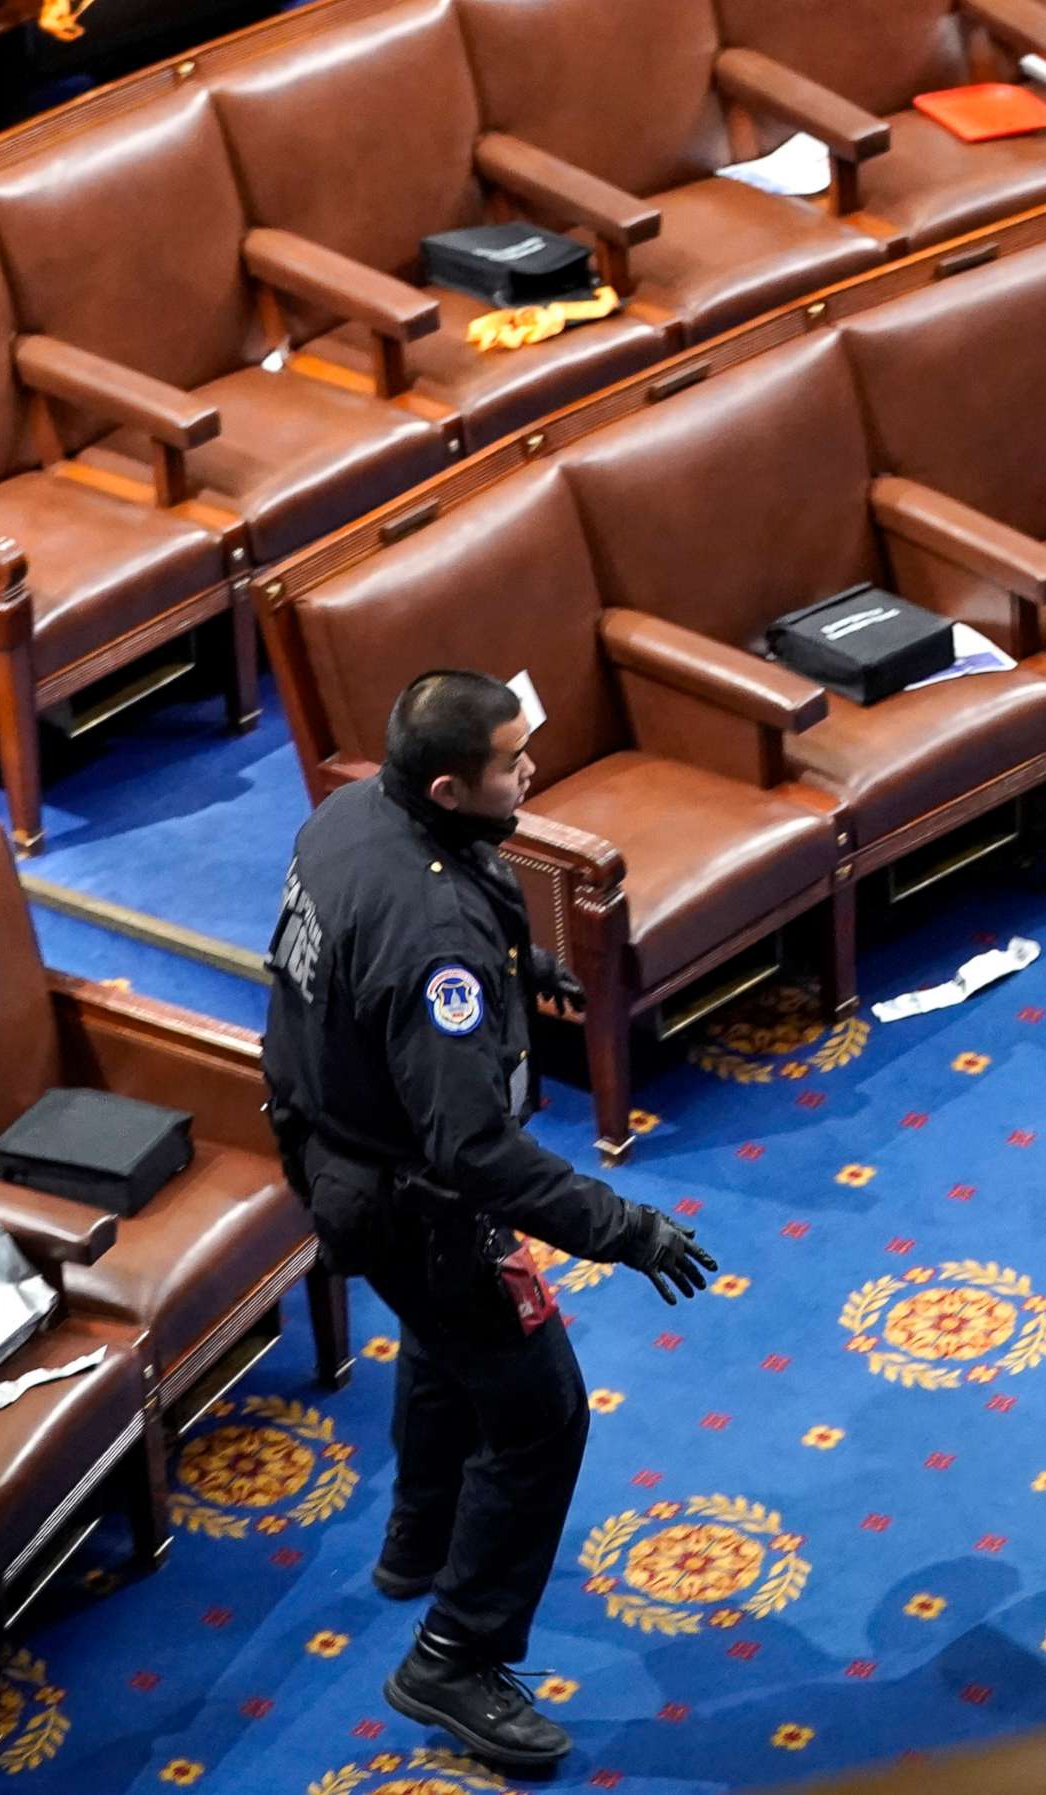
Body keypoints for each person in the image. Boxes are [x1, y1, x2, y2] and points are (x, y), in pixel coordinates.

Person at [262, 670, 720, 1769]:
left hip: (327, 1136)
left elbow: (370, 968)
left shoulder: (350, 813)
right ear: (449, 783)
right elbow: (472, 1147)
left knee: (442, 1339)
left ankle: (418, 1537)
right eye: (514, 763)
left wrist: (520, 970)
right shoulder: (436, 935)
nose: (532, 772)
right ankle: (455, 1655)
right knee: (540, 1409)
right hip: (414, 1197)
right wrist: (622, 1227)